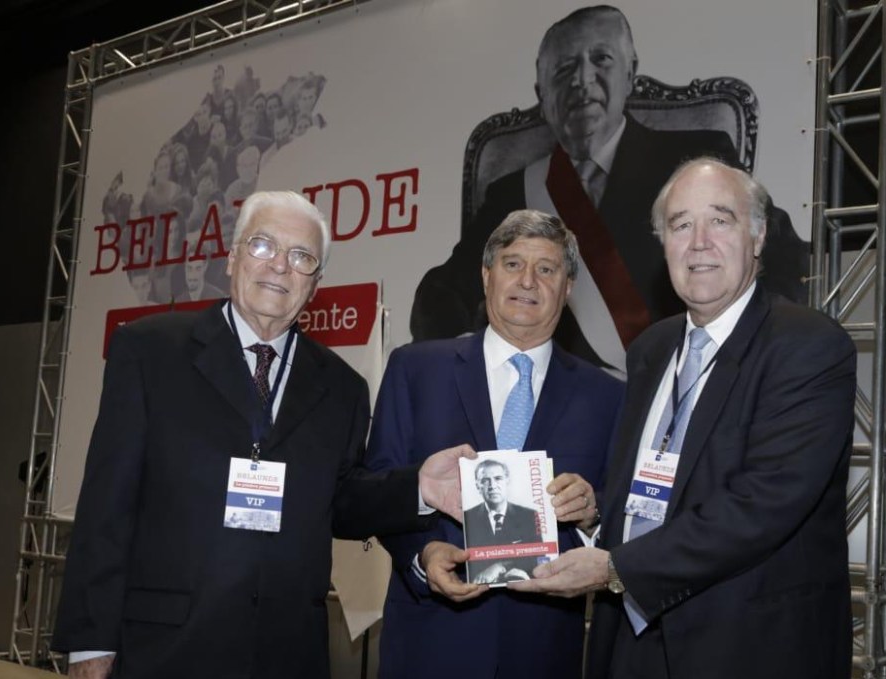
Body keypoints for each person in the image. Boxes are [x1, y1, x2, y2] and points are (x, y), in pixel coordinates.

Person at [52, 191, 474, 679]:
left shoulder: (342, 388)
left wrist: (417, 487)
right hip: (164, 647)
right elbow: (107, 505)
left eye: (301, 256)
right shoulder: (150, 352)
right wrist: (90, 642)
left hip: (286, 652)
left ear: (314, 284)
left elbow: (342, 502)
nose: (279, 266)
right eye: (263, 245)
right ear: (232, 258)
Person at [510, 158, 856, 679]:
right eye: (680, 225)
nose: (698, 243)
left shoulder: (807, 346)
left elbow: (765, 503)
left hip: (748, 645)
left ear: (758, 236)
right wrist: (596, 512)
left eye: (719, 220)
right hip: (633, 636)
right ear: (663, 243)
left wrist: (616, 568)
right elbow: (654, 484)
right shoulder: (651, 349)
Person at [410, 5, 807, 378]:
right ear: (541, 94)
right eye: (564, 69)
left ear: (630, 73)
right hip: (561, 398)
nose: (582, 80)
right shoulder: (512, 193)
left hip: (675, 385)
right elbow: (440, 292)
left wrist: (743, 357)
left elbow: (786, 260)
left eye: (601, 59)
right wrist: (474, 353)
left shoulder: (696, 161)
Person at [365, 209, 624, 679]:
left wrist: (592, 513)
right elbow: (378, 487)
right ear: (486, 276)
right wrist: (422, 556)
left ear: (567, 288)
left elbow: (621, 508)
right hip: (430, 645)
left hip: (543, 653)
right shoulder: (415, 369)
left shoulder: (607, 396)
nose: (528, 281)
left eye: (547, 269)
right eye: (513, 264)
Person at [463, 459, 542, 585]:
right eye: (485, 480)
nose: (492, 486)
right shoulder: (467, 517)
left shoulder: (529, 516)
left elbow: (537, 556)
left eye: (498, 478)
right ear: (478, 486)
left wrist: (500, 566)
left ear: (507, 481)